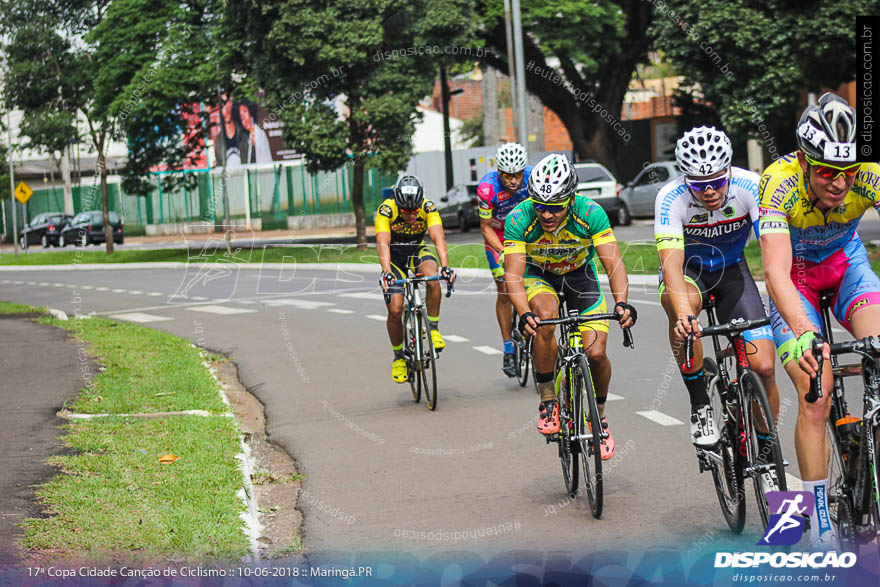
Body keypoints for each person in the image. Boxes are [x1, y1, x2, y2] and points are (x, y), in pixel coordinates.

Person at [759, 92, 880, 550]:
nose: (839, 184)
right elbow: (774, 272)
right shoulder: (779, 182)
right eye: (827, 172)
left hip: (846, 267)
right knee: (817, 393)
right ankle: (820, 523)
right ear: (805, 163)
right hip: (796, 281)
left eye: (847, 173)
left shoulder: (869, 175)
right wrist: (806, 332)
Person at [654, 126, 780, 491]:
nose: (708, 191)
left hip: (732, 272)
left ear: (728, 172)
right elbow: (672, 266)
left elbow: (772, 249)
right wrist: (683, 316)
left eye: (715, 182)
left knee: (764, 366)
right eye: (698, 185)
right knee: (681, 308)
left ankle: (769, 452)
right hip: (690, 273)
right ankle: (699, 404)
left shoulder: (750, 185)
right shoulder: (670, 197)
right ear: (685, 179)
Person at [504, 153, 636, 458]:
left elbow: (613, 263)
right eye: (541, 206)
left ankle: (599, 417)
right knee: (545, 317)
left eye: (556, 207)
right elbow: (512, 274)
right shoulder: (519, 218)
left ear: (571, 197)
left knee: (597, 353)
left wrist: (623, 304)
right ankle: (548, 398)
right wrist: (523, 312)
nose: (547, 215)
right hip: (540, 275)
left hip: (580, 275)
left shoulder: (591, 213)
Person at [376, 175, 456, 383]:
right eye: (406, 211)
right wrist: (386, 271)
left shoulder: (428, 207)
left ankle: (434, 328)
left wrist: (446, 266)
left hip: (415, 251)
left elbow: (438, 238)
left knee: (432, 275)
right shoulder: (387, 209)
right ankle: (398, 357)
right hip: (393, 258)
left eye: (414, 211)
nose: (411, 215)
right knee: (395, 310)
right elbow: (382, 242)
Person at [477, 142, 533, 377]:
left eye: (517, 175)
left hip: (525, 230)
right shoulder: (487, 189)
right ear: (499, 172)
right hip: (498, 236)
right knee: (504, 288)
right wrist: (503, 252)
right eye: (508, 176)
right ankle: (508, 347)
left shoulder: (534, 179)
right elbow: (485, 227)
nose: (513, 180)